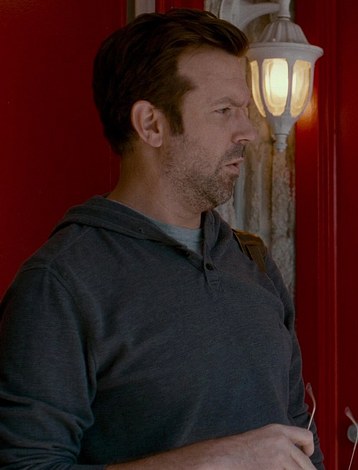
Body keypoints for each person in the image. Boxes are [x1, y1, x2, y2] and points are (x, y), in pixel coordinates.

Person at [0, 9, 323, 470]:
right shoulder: (60, 284)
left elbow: (298, 433)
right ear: (151, 124)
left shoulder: (250, 260)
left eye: (246, 111)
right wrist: (217, 459)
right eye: (224, 111)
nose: (249, 132)